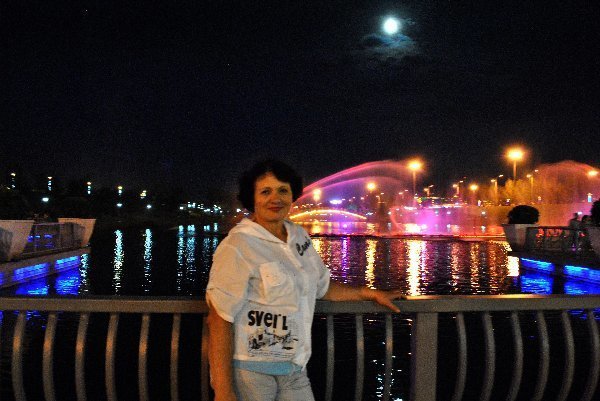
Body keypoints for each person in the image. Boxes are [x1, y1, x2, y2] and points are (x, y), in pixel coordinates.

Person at [206, 159, 403, 401]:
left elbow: (322, 286)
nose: (275, 199)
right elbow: (219, 317)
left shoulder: (299, 237)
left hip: (295, 369)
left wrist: (367, 293)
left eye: (283, 190)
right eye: (265, 192)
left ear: (292, 195)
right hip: (250, 373)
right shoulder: (238, 245)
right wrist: (224, 390)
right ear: (252, 198)